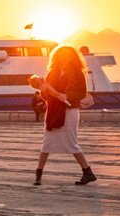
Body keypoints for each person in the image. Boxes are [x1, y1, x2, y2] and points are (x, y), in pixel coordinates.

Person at [29, 45, 97, 186]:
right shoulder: (52, 73)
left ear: (72, 58)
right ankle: (38, 175)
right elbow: (47, 97)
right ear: (57, 57)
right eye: (62, 56)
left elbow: (81, 93)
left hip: (70, 110)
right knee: (47, 142)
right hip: (53, 111)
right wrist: (43, 90)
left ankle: (88, 172)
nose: (65, 59)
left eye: (67, 56)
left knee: (71, 143)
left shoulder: (78, 73)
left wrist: (66, 96)